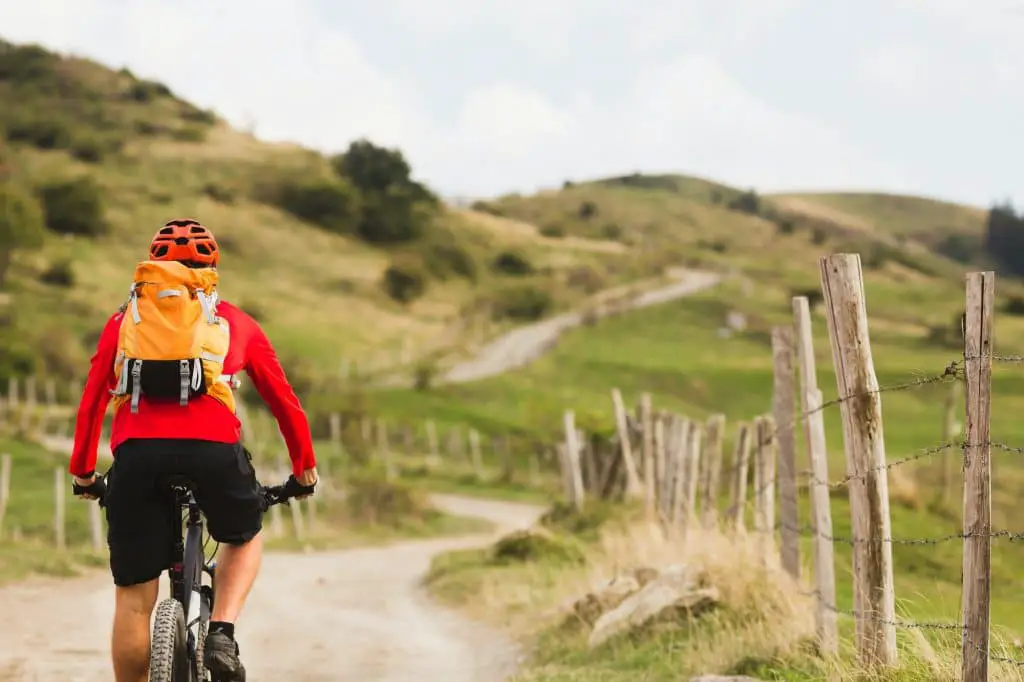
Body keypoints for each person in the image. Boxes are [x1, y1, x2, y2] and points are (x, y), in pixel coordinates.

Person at [68, 218, 318, 682]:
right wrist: (304, 470)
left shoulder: (124, 322)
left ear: (151, 266)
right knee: (242, 535)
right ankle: (222, 630)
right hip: (214, 452)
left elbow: (91, 403)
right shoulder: (234, 321)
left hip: (138, 457)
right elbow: (285, 403)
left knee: (133, 599)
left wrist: (84, 473)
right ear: (211, 270)